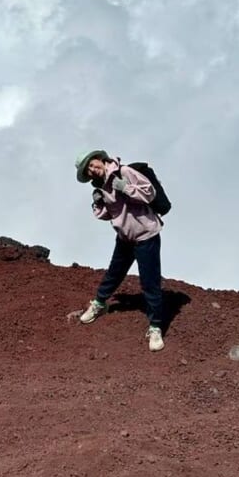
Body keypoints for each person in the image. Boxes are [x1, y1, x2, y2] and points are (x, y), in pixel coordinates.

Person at [75, 149, 165, 351]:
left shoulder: (124, 172)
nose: (92, 170)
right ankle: (99, 303)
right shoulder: (100, 186)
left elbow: (150, 193)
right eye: (87, 170)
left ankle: (156, 326)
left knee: (149, 282)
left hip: (145, 236)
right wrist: (98, 202)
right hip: (125, 237)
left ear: (100, 159)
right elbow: (107, 215)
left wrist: (126, 188)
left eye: (92, 164)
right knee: (114, 273)